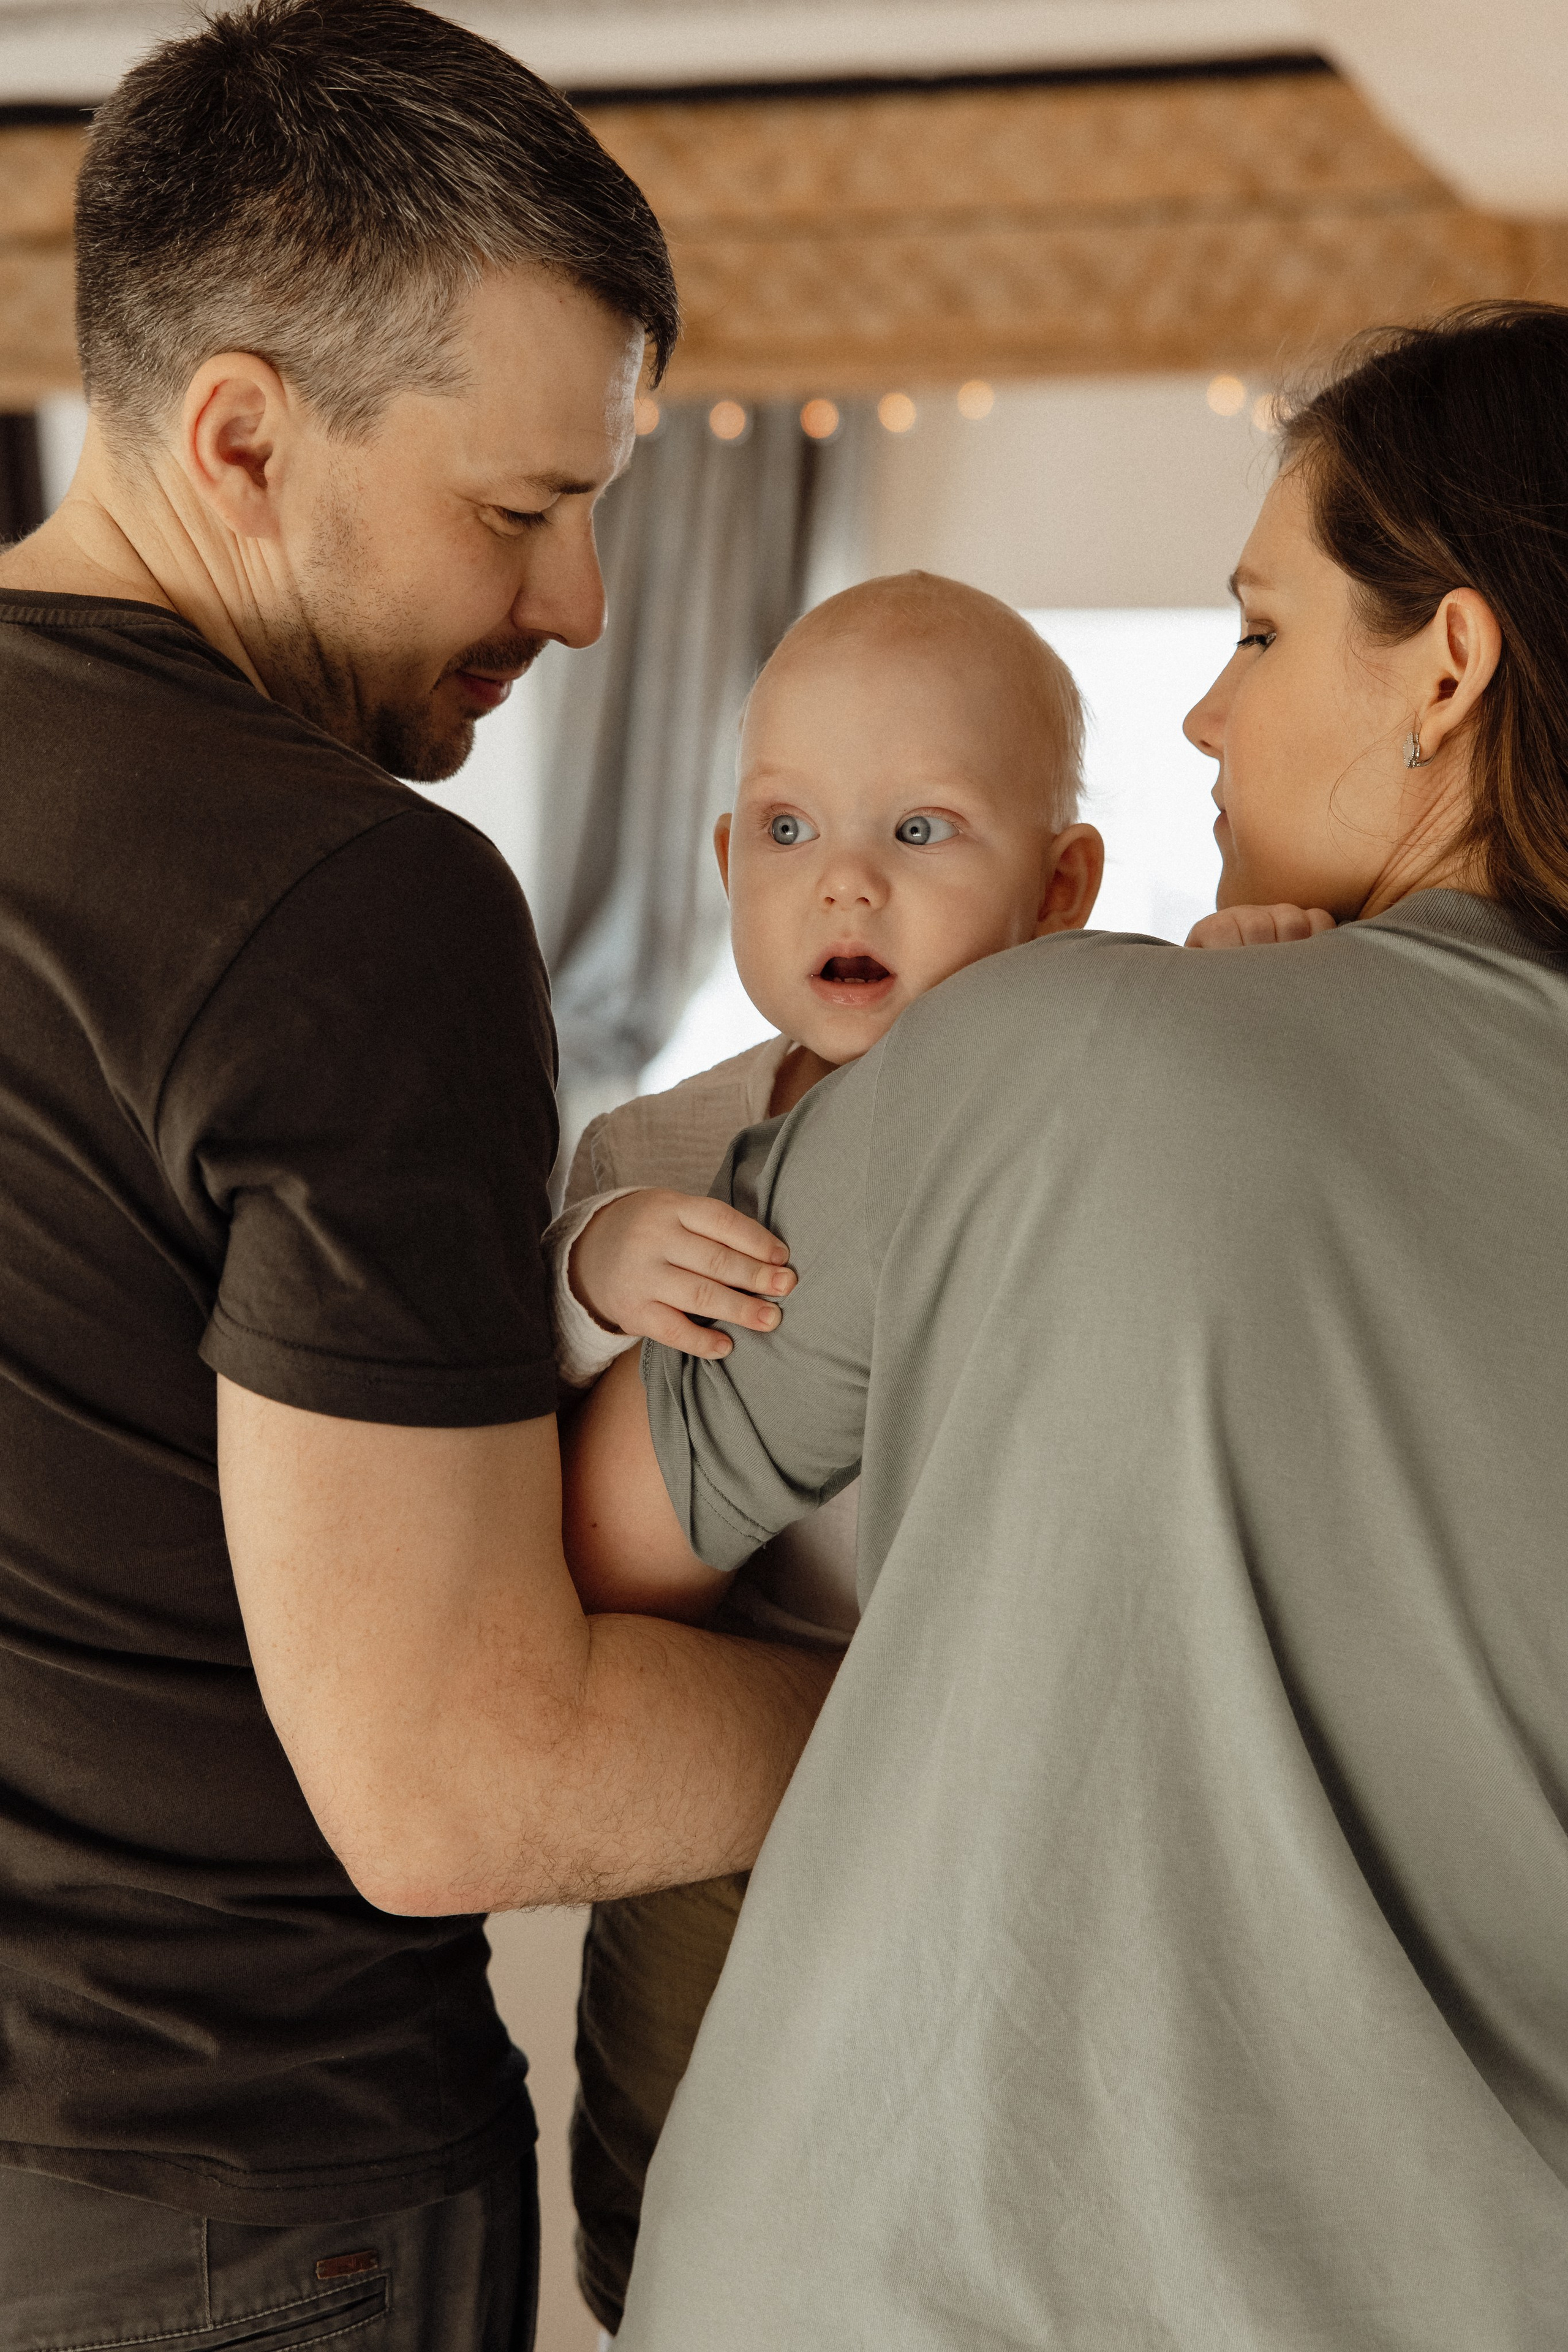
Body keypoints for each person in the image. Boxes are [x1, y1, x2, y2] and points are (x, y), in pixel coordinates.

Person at [564, 302, 1568, 2347]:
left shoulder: (1047, 1053)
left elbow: (575, 1554)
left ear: (1447, 668)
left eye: (1264, 633)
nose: (1207, 717)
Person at [0, 4, 833, 2342]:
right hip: (240, 2203)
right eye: (521, 515)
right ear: (243, 435)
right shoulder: (351, 895)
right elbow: (464, 1779)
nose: (577, 612)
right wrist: (1022, 1692)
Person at [549, 571, 1103, 2331]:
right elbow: (508, 1359)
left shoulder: (1094, 1093)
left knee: (971, 2137)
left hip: (993, 1755)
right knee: (667, 2094)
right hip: (723, 1765)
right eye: (787, 829)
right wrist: (596, 1255)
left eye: (920, 830)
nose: (842, 883)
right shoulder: (666, 1138)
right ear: (721, 864)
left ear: (1064, 888)